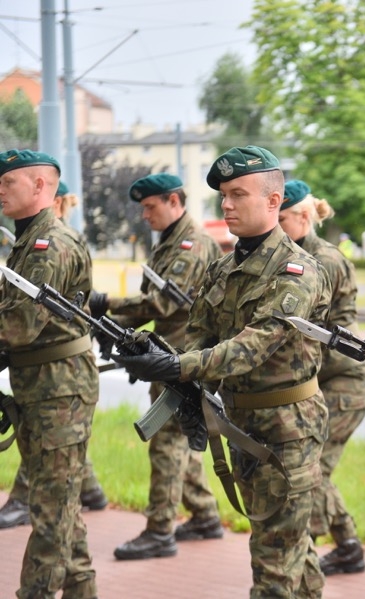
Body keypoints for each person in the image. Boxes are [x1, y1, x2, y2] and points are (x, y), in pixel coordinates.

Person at [113, 146, 330, 598]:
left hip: (288, 432)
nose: (227, 205)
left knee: (273, 566)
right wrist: (153, 353)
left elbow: (252, 346)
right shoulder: (221, 269)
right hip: (242, 425)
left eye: (238, 194)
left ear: (273, 201)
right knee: (292, 551)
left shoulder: (297, 271)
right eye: (223, 196)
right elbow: (199, 337)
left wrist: (177, 364)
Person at [87, 173, 225, 560]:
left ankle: (159, 532)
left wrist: (106, 303)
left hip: (184, 359)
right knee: (178, 436)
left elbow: (164, 305)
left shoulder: (190, 245)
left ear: (174, 201)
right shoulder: (169, 243)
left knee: (166, 443)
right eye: (142, 208)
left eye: (151, 206)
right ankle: (204, 516)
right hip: (169, 356)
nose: (145, 215)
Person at [0, 150, 98, 597]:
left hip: (60, 392)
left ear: (41, 187)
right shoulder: (26, 241)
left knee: (51, 514)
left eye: (9, 182)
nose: (0, 189)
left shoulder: (49, 245)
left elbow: (19, 326)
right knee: (59, 509)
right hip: (41, 387)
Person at [278, 180, 365, 575]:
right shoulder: (291, 253)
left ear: (303, 216)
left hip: (342, 383)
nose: (275, 227)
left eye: (280, 219)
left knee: (311, 469)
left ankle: (309, 552)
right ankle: (347, 546)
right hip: (319, 380)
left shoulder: (325, 260)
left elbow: (322, 331)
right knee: (310, 467)